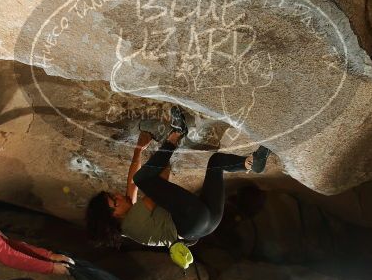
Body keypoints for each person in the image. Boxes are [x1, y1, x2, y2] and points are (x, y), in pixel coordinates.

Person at [86, 107, 271, 252]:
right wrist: (163, 153)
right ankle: (177, 133)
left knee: (217, 163)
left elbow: (133, 186)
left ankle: (252, 163)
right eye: (114, 200)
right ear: (114, 214)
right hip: (191, 219)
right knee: (144, 178)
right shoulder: (133, 223)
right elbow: (155, 182)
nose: (117, 195)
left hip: (207, 224)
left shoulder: (128, 222)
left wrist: (139, 150)